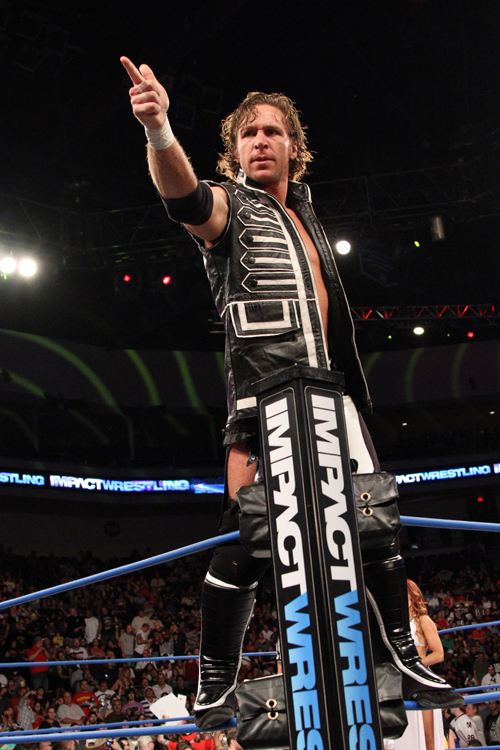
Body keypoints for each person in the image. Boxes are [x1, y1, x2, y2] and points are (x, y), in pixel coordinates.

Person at [122, 54, 461, 730]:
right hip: (264, 404)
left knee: (376, 522)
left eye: (272, 131)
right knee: (247, 536)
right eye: (248, 133)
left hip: (332, 396)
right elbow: (184, 199)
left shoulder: (306, 217)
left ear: (293, 147)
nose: (260, 141)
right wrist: (159, 129)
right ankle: (214, 682)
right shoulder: (232, 207)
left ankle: (405, 658)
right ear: (234, 150)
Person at [391, 581, 446, 750]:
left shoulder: (423, 621)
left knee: (427, 735)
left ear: (413, 596)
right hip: (401, 681)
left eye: (405, 594)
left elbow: (439, 654)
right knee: (405, 733)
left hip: (420, 679)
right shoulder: (396, 625)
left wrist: (414, 664)